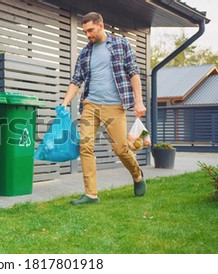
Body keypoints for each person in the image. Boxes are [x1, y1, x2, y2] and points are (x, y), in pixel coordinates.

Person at [61, 12, 147, 205]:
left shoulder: (121, 44)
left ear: (101, 25)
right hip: (90, 104)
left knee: (120, 148)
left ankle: (137, 175)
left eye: (90, 30)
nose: (88, 34)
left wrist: (138, 100)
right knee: (85, 147)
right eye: (85, 31)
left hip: (115, 106)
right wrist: (65, 102)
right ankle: (91, 194)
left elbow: (133, 72)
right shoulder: (85, 52)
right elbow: (76, 81)